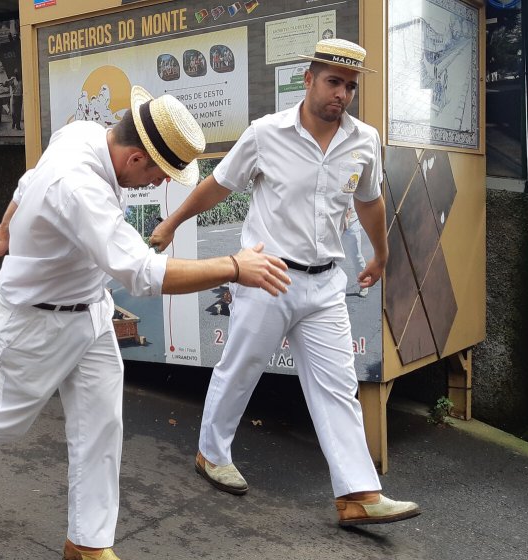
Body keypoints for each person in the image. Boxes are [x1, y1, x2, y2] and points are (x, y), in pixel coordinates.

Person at [0, 87, 291, 560]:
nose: (154, 183)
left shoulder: (86, 131)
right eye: (156, 173)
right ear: (135, 156)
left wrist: (5, 228)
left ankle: (88, 543)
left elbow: (26, 184)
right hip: (37, 321)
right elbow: (142, 273)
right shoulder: (81, 186)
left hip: (89, 311)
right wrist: (234, 266)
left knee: (102, 424)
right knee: (10, 415)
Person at [149, 39, 421, 526]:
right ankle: (212, 453)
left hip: (324, 285)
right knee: (242, 367)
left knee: (337, 386)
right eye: (334, 82)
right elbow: (220, 184)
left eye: (351, 87)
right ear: (309, 79)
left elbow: (370, 202)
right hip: (267, 273)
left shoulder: (363, 141)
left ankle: (357, 495)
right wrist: (172, 223)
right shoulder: (265, 133)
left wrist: (381, 255)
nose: (342, 94)